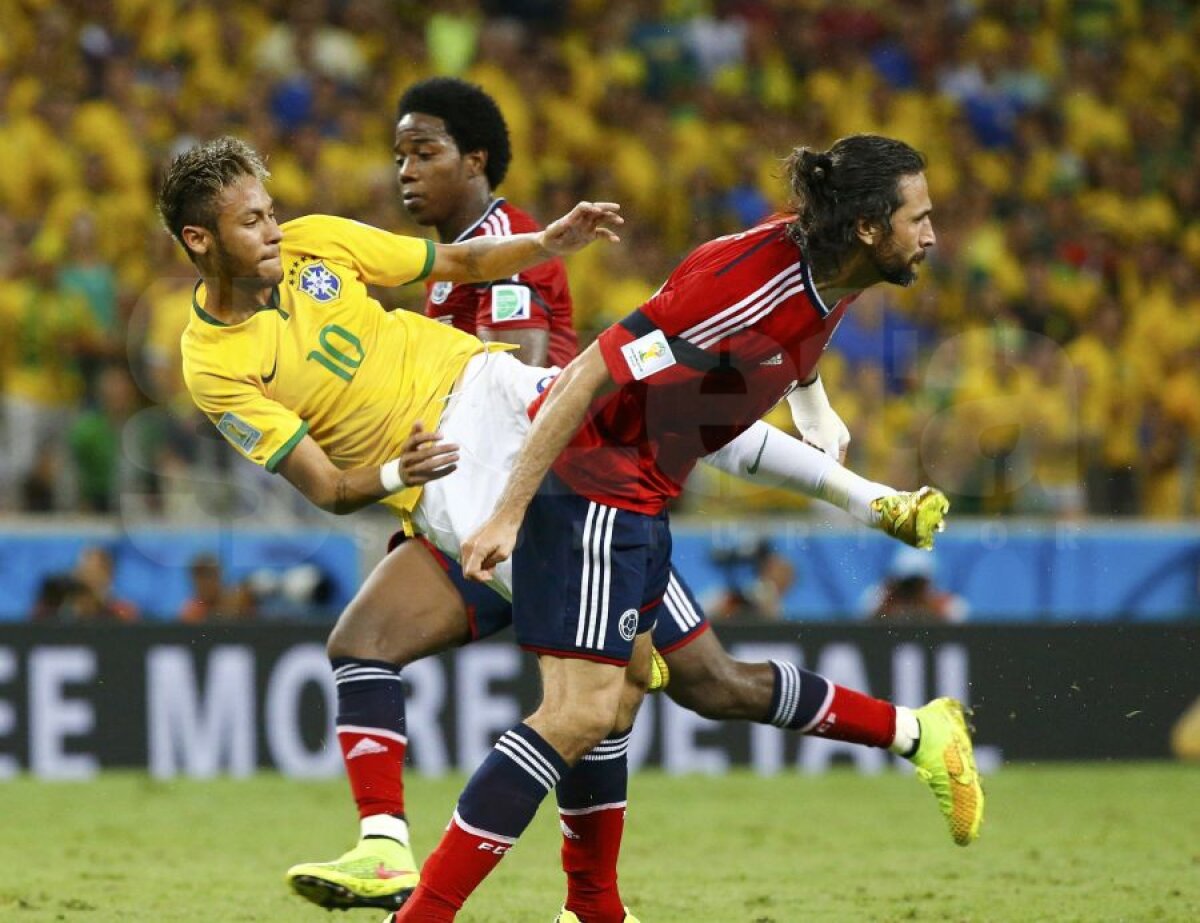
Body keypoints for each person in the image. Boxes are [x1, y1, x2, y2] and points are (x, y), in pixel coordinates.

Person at [283, 81, 956, 920]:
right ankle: (469, 875)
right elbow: (606, 377)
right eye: (919, 217)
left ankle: (548, 898)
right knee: (603, 694)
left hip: (562, 487)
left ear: (476, 160)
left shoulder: (507, 247)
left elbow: (544, 379)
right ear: (864, 225)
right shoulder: (764, 273)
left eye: (422, 152)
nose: (404, 172)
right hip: (563, 490)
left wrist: (820, 420)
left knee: (639, 692)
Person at [861, 546, 969, 625]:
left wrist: (932, 606)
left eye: (917, 584)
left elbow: (963, 619)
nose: (910, 591)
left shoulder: (942, 604)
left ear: (927, 583)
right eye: (906, 584)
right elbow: (861, 620)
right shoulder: (882, 599)